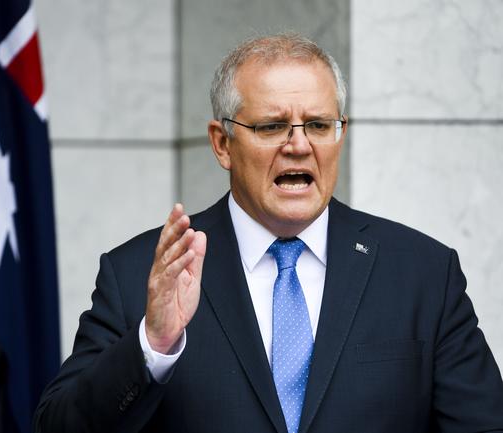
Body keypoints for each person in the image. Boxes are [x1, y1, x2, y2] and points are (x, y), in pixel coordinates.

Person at [34, 33, 503, 432]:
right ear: (222, 144)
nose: (298, 145)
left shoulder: (422, 273)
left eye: (318, 125)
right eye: (272, 126)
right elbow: (57, 424)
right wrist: (152, 345)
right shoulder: (141, 273)